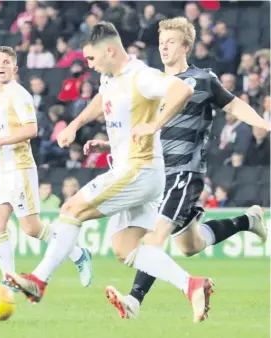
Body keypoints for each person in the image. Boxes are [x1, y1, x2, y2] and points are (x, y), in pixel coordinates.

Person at [4, 22, 213, 323]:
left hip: (138, 170)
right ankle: (192, 285)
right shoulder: (109, 78)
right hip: (136, 172)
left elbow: (182, 88)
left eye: (91, 59)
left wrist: (155, 125)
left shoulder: (140, 76)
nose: (88, 66)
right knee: (124, 249)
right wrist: (75, 125)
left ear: (110, 51)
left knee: (71, 209)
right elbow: (103, 99)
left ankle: (38, 280)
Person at [104, 17, 270, 320]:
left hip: (184, 173)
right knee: (190, 245)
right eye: (161, 42)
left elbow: (234, 106)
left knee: (154, 238)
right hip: (153, 174)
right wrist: (110, 145)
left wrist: (264, 123)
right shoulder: (152, 83)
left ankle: (134, 300)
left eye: (170, 42)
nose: (164, 47)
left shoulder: (202, 79)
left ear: (185, 46)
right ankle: (249, 220)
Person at [0, 46, 93, 290]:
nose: (1, 65)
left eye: (6, 62)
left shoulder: (19, 94)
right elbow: (0, 137)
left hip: (20, 168)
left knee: (32, 229)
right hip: (0, 169)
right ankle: (9, 278)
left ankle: (78, 254)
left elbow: (31, 130)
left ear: (14, 68)